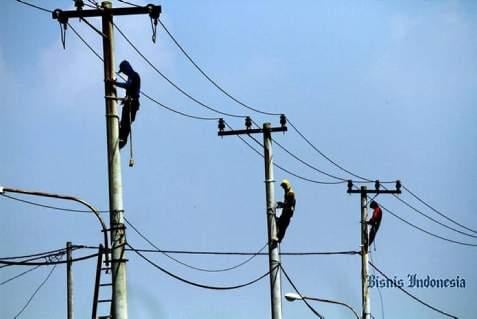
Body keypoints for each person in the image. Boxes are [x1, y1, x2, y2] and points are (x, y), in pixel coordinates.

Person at [112, 60, 141, 149]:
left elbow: (128, 86)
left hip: (133, 103)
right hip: (129, 103)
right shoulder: (130, 77)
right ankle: (120, 136)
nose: (123, 73)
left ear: (127, 68)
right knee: (124, 121)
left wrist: (115, 83)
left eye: (123, 70)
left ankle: (123, 139)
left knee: (126, 122)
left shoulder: (134, 75)